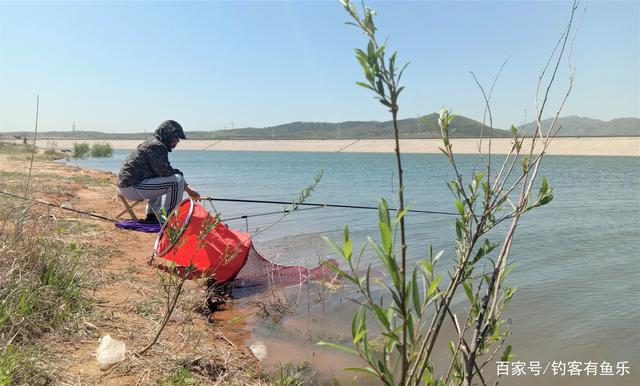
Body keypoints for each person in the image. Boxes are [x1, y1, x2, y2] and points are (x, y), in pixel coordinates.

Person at [117, 120, 200, 223]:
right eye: (176, 138)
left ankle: (152, 216)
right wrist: (187, 188)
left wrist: (187, 188)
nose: (177, 142)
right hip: (131, 187)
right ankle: (170, 219)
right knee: (177, 180)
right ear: (168, 135)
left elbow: (162, 172)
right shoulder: (157, 146)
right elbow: (165, 172)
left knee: (161, 178)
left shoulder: (153, 142)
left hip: (128, 185)